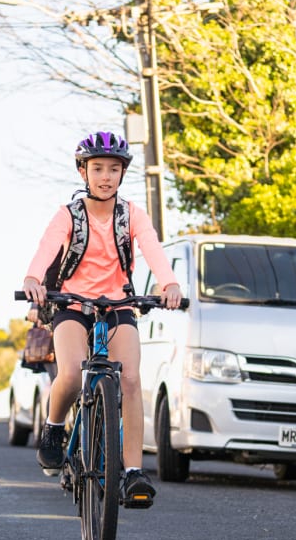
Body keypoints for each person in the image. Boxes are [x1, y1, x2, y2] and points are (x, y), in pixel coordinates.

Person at [21, 130, 181, 508]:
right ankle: (54, 427)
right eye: (97, 169)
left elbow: (154, 250)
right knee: (73, 374)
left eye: (113, 169)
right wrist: (32, 278)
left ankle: (131, 473)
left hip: (117, 304)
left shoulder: (132, 215)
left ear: (122, 174)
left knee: (129, 378)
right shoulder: (68, 215)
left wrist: (169, 283)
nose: (106, 176)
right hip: (73, 305)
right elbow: (46, 249)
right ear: (83, 172)